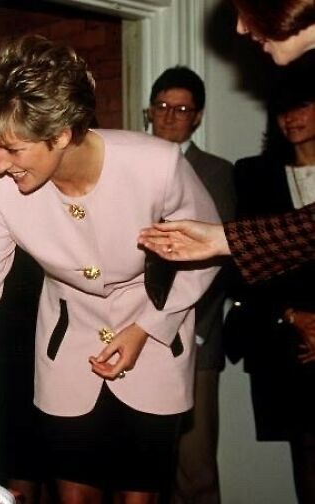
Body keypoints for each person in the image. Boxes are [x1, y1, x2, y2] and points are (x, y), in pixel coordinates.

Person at [0, 35, 220, 504]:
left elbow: (208, 251)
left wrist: (151, 325)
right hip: (67, 353)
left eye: (13, 149)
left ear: (63, 134)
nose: (0, 165)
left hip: (154, 345)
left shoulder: (157, 165)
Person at [137, 0, 315, 279]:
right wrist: (221, 239)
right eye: (161, 107)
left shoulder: (217, 170)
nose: (240, 27)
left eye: (246, 9)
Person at [226, 61, 315, 504]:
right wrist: (295, 316)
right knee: (306, 449)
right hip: (285, 334)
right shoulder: (254, 174)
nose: (291, 118)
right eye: (282, 110)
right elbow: (244, 260)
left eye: (301, 106)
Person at [147, 66, 235, 504]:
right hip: (134, 334)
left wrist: (194, 327)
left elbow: (221, 258)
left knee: (194, 467)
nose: (169, 116)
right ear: (149, 110)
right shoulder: (129, 162)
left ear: (197, 117)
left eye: (181, 109)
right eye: (162, 106)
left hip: (194, 337)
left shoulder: (215, 172)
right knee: (143, 470)